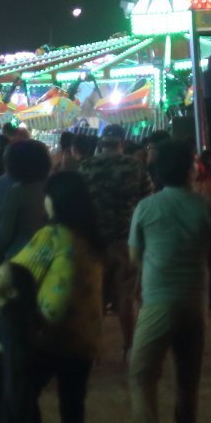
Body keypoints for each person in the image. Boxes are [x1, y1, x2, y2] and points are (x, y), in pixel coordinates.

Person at [0, 170, 105, 423]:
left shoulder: (52, 236)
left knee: (23, 393)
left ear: (57, 201)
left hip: (47, 333)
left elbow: (11, 274)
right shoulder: (92, 239)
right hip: (85, 337)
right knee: (72, 402)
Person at [129, 140, 211, 423]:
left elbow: (135, 255)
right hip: (195, 302)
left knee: (141, 375)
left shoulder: (146, 208)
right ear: (190, 170)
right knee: (187, 378)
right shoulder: (207, 207)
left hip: (156, 301)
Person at [82, 125, 146, 356]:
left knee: (96, 297)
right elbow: (145, 201)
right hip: (125, 239)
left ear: (101, 143)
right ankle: (128, 346)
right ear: (122, 143)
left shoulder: (86, 167)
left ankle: (95, 347)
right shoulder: (135, 167)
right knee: (126, 296)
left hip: (94, 242)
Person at [0, 138, 51, 267]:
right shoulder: (49, 188)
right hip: (47, 257)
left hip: (15, 260)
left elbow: (2, 233)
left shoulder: (14, 192)